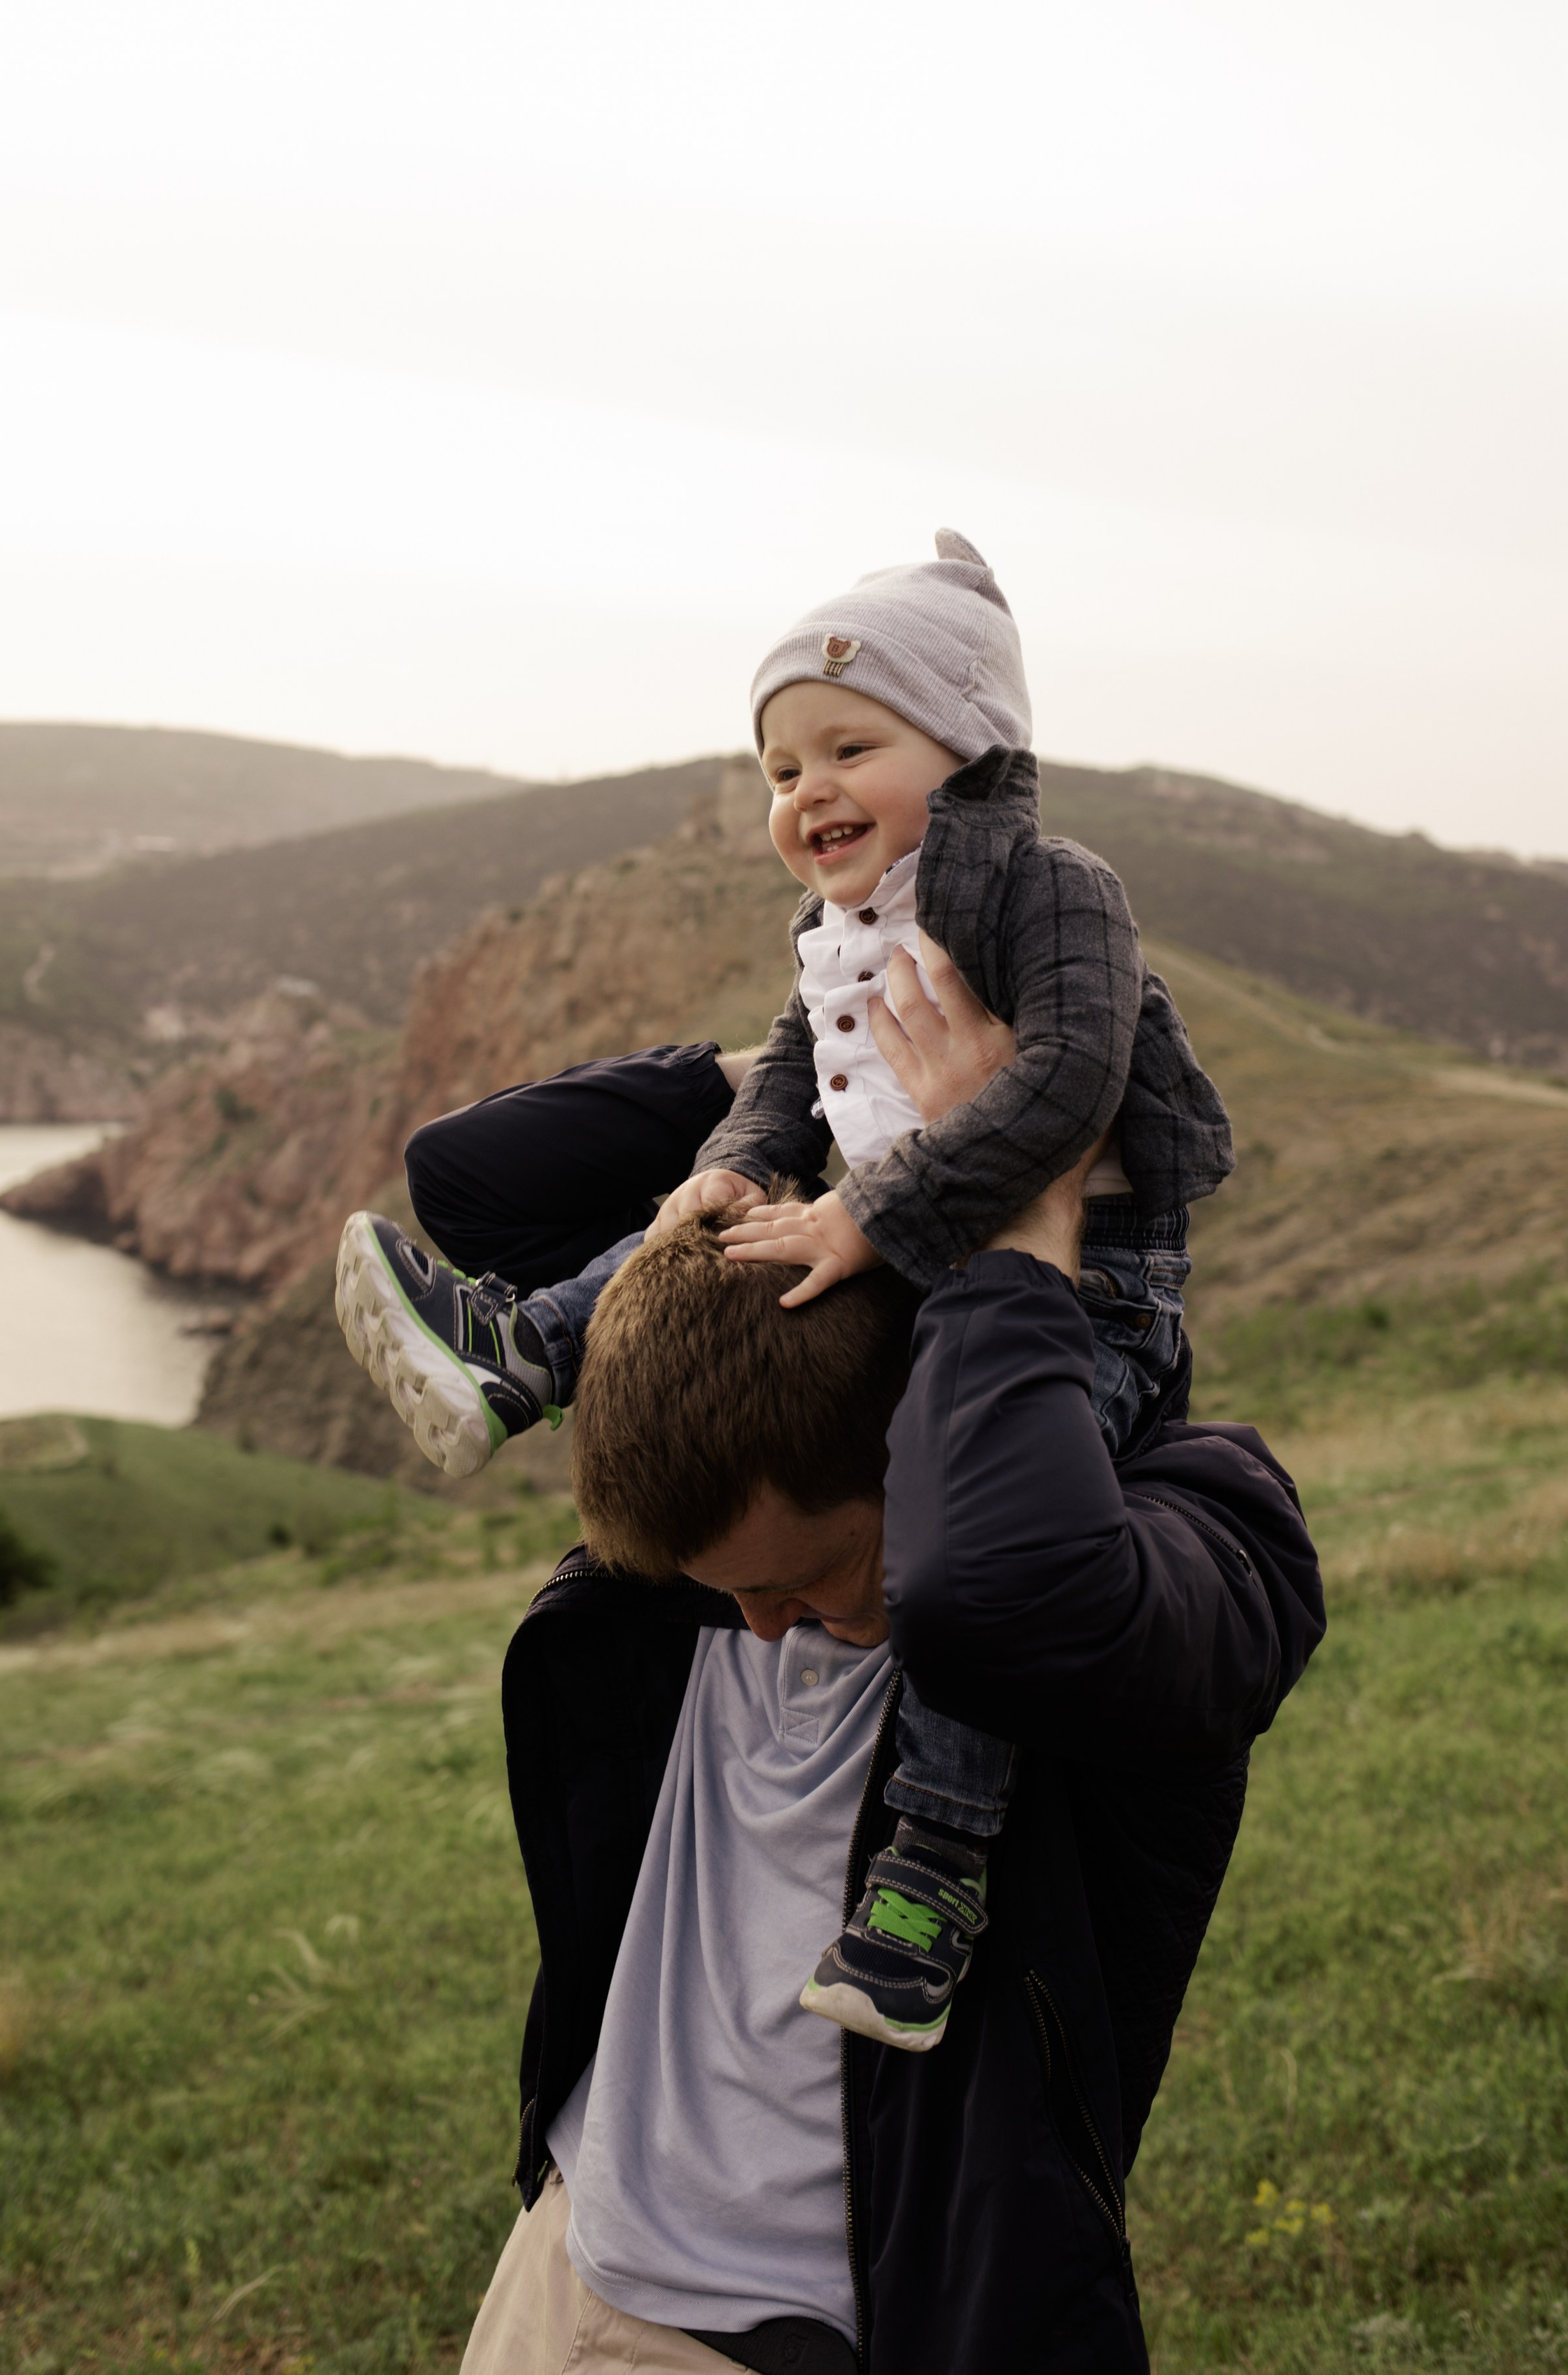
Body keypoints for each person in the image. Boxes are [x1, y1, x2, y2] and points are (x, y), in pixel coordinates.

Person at [337, 529, 1235, 2053]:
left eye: (849, 748)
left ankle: (931, 1870)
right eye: (778, 767)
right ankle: (522, 1354)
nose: (806, 789)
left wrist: (872, 1206)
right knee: (710, 1232)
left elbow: (1075, 1080)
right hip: (906, 1237)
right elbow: (786, 1081)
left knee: (976, 1547)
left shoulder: (1052, 889)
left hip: (1082, 1289)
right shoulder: (837, 932)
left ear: (970, 748)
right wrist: (736, 1166)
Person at [447, 982, 1323, 2375]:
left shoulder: (1194, 1525)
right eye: (726, 1594)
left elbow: (1004, 1591)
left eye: (805, 1582)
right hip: (568, 2250)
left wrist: (1019, 1236)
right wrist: (834, 1063)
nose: (757, 1630)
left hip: (816, 2327)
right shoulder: (754, 1466)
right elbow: (467, 1177)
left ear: (913, 1443)